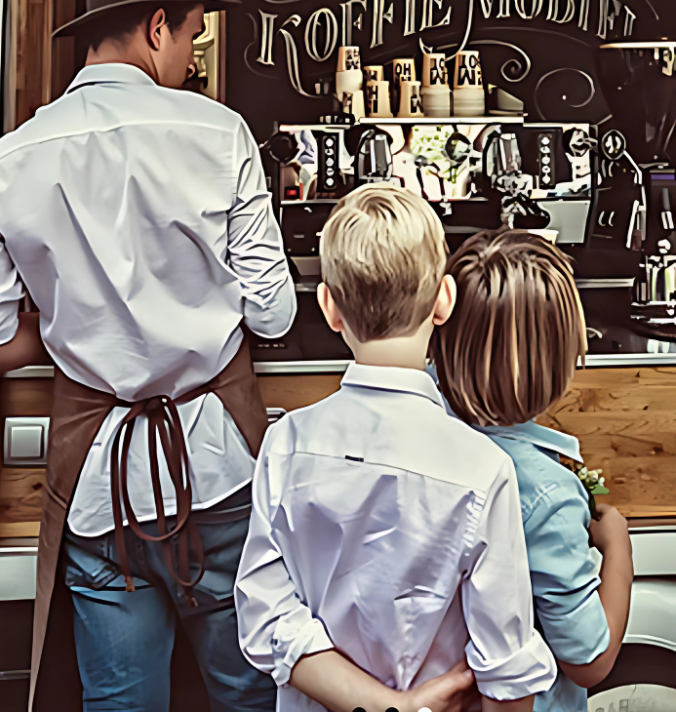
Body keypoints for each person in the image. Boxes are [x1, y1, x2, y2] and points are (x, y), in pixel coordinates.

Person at [0, 0, 296, 711]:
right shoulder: (220, 133)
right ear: (155, 27)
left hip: (99, 482)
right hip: (218, 466)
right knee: (247, 689)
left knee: (121, 700)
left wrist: (73, 321)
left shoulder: (8, 160)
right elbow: (272, 313)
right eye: (191, 33)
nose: (191, 52)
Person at [235, 183, 556, 712]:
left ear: (329, 308)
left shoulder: (286, 443)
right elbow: (507, 676)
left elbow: (266, 617)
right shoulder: (483, 467)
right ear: (444, 301)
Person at [433, 229, 633, 712]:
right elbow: (590, 661)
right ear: (560, 361)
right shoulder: (546, 494)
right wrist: (618, 546)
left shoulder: (424, 438)